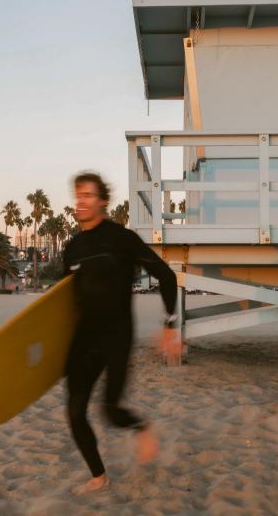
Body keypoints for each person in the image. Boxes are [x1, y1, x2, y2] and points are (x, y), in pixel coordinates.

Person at [63, 172, 179, 495]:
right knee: (74, 411)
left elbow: (166, 276)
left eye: (88, 195)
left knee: (111, 411)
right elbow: (61, 304)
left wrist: (170, 324)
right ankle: (99, 477)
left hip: (116, 337)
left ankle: (141, 427)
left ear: (102, 201)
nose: (81, 201)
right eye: (78, 195)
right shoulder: (71, 249)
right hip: (83, 340)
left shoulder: (120, 239)